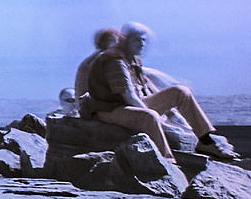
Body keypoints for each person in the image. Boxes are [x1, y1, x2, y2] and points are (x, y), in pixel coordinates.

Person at [81, 23, 240, 164]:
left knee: (181, 92)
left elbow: (146, 87)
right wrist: (156, 115)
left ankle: (205, 141)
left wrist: (172, 112)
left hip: (129, 104)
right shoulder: (114, 60)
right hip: (109, 109)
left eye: (144, 40)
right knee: (149, 117)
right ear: (124, 39)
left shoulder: (133, 58)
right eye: (137, 39)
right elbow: (128, 95)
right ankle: (167, 160)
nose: (142, 44)